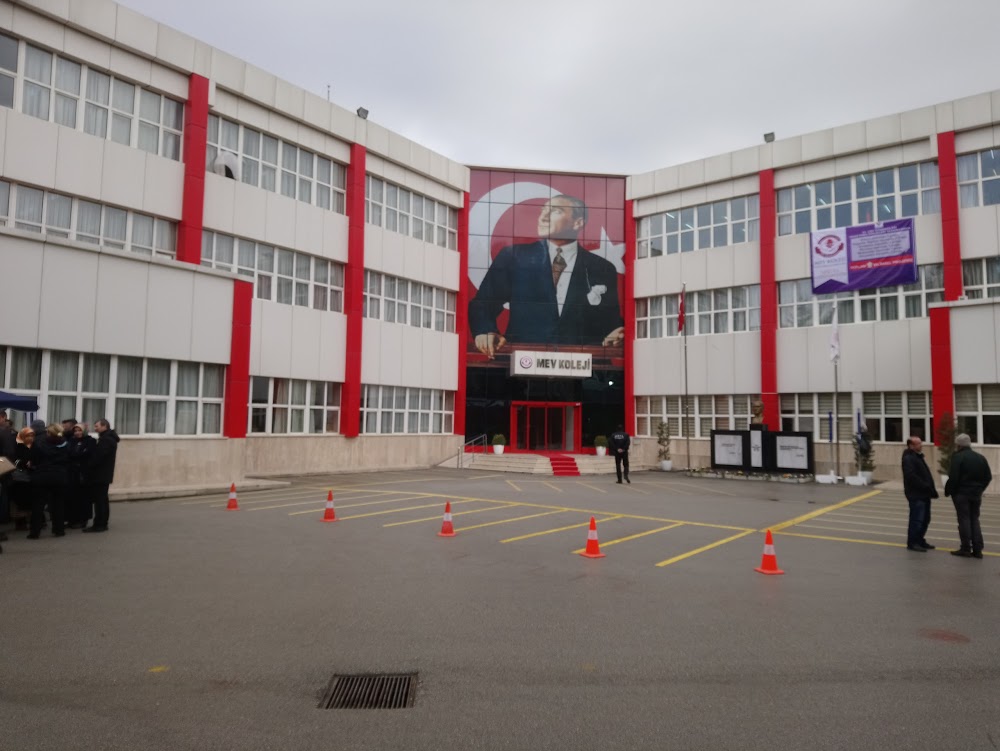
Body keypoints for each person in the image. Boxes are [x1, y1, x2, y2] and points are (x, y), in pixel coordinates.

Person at [469, 194, 623, 357]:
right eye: (543, 210)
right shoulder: (514, 257)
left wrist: (617, 334)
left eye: (555, 211)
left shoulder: (602, 268)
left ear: (577, 222)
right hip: (521, 366)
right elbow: (483, 303)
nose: (543, 217)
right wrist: (485, 331)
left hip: (579, 371)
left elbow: (609, 322)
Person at [944, 433, 992, 558]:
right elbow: (988, 477)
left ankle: (965, 548)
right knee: (974, 519)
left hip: (962, 493)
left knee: (964, 520)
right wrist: (980, 489)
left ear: (958, 445)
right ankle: (977, 549)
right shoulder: (980, 458)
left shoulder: (958, 457)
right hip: (976, 494)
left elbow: (953, 477)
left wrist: (949, 490)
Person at [27, 424, 70, 539]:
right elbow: (69, 458)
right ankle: (59, 530)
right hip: (59, 476)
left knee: (38, 505)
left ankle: (35, 532)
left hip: (42, 476)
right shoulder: (65, 444)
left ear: (49, 433)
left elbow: (33, 459)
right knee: (58, 504)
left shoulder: (39, 443)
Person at [901, 436, 938, 552]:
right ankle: (913, 542)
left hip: (924, 494)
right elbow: (911, 476)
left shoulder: (918, 457)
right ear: (911, 445)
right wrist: (925, 486)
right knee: (917, 519)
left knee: (926, 518)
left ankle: (920, 539)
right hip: (916, 494)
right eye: (918, 444)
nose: (921, 445)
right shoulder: (908, 458)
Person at [85, 419, 119, 533]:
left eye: (97, 426)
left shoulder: (106, 440)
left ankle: (100, 524)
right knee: (102, 499)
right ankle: (101, 522)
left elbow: (99, 457)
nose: (95, 428)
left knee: (100, 501)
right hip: (103, 474)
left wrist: (89, 465)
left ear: (104, 426)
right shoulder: (107, 438)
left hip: (101, 474)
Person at [66, 423, 96, 529]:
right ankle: (72, 519)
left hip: (84, 473)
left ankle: (83, 520)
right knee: (73, 497)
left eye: (79, 430)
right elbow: (69, 453)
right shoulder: (71, 441)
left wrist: (78, 454)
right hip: (73, 473)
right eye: (75, 431)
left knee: (84, 498)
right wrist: (79, 454)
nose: (77, 433)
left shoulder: (91, 441)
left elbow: (87, 454)